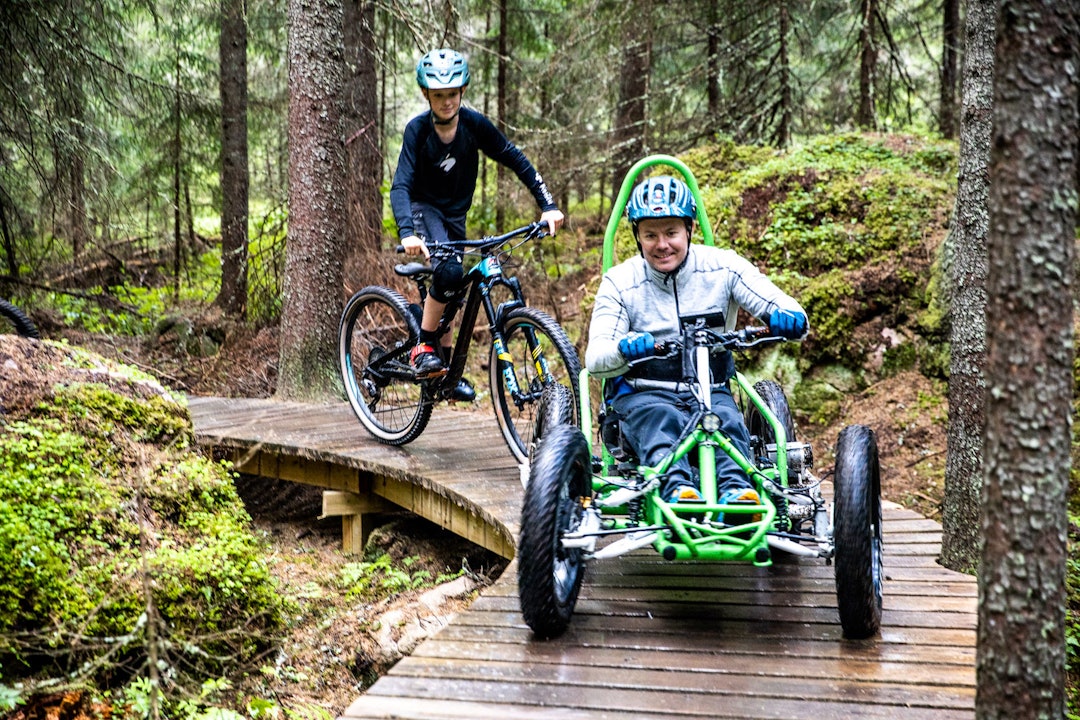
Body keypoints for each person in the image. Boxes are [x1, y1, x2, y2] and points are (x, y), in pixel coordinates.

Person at [585, 175, 808, 510]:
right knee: (661, 421)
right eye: (650, 235)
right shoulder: (620, 282)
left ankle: (737, 494)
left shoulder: (723, 267)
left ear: (689, 230)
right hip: (644, 393)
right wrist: (623, 350)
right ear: (637, 237)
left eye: (671, 232)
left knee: (726, 423)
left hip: (710, 389)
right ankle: (677, 493)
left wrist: (787, 316)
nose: (662, 245)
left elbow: (778, 302)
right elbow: (596, 359)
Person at [390, 48, 565, 401]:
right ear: (426, 94)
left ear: (462, 91)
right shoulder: (417, 131)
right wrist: (407, 231)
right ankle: (423, 346)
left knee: (455, 289)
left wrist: (547, 205)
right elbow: (401, 186)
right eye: (438, 95)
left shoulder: (473, 125)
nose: (446, 102)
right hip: (424, 209)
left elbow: (514, 158)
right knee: (449, 274)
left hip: (456, 215)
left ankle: (445, 374)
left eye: (452, 94)